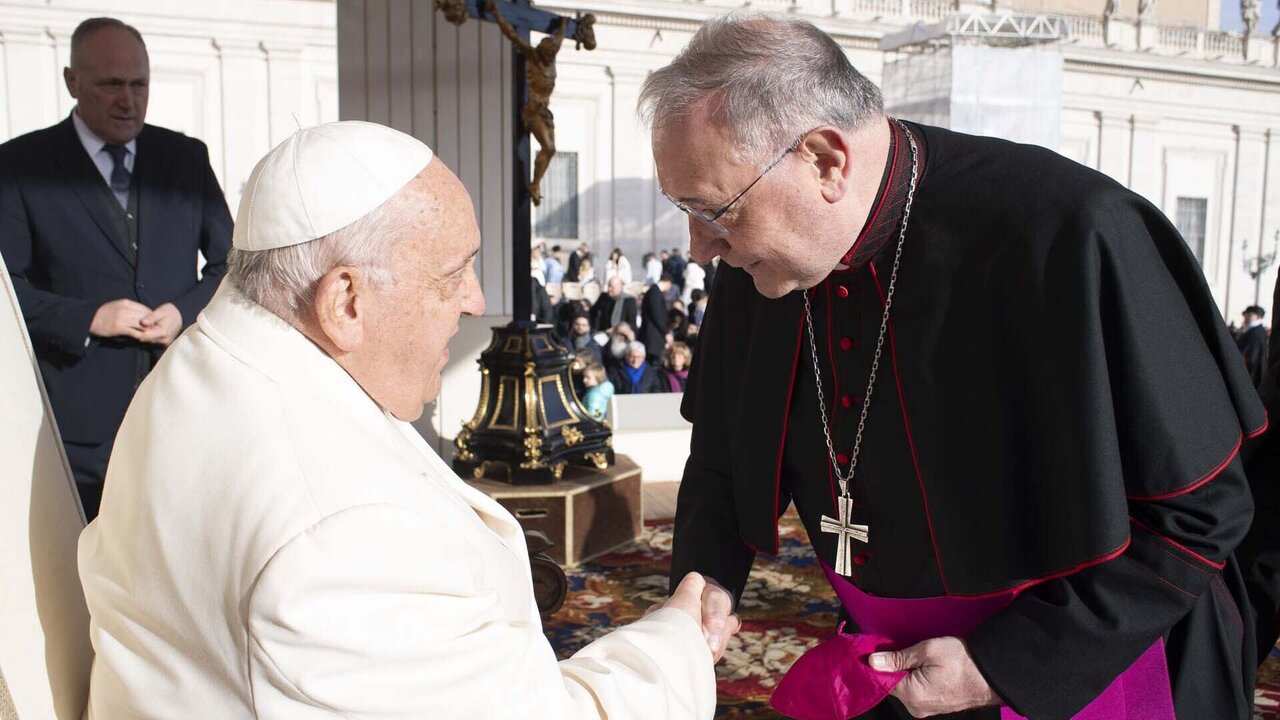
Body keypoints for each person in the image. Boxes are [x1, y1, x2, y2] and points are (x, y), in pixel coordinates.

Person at [643, 12, 1266, 720]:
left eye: (714, 210)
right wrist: (708, 583)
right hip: (896, 672)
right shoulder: (764, 262)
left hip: (1091, 663)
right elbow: (722, 455)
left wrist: (1004, 665)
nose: (699, 247)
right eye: (684, 209)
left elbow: (1201, 511)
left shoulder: (1071, 233)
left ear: (825, 160)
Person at [78, 121, 732, 718]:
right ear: (345, 301)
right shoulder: (345, 532)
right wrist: (675, 644)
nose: (476, 301)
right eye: (453, 275)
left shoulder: (206, 363)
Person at [0, 17, 232, 520]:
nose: (128, 100)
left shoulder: (186, 159)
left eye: (139, 84)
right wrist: (88, 318)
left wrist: (183, 313)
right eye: (110, 84)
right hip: (77, 427)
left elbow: (231, 265)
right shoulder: (19, 165)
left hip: (182, 408)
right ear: (72, 82)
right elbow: (6, 290)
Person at [641, 274, 673, 364]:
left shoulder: (653, 292)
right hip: (653, 337)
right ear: (668, 283)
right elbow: (658, 315)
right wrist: (666, 332)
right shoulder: (655, 293)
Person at [1238, 304, 1268, 389]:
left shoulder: (1255, 334)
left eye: (1249, 315)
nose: (1246, 317)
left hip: (1250, 377)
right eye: (1245, 315)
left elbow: (1250, 359)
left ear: (1258, 317)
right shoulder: (1255, 331)